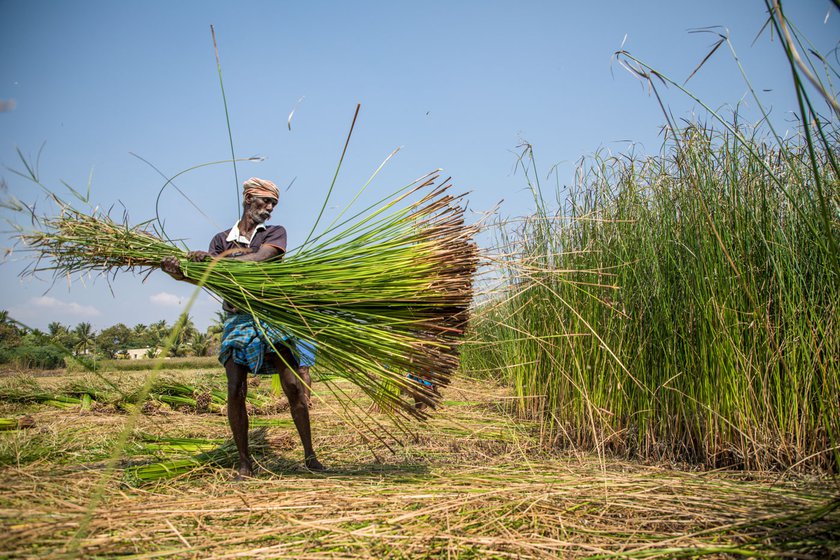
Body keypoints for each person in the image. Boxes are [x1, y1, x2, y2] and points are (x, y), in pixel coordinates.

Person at [161, 177, 324, 477]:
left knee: (292, 387)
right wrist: (180, 275)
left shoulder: (274, 233)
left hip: (270, 316)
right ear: (248, 199)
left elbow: (260, 260)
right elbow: (209, 279)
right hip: (237, 319)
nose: (270, 207)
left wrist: (216, 259)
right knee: (235, 389)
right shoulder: (221, 240)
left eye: (274, 203)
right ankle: (245, 462)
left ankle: (310, 456)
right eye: (265, 201)